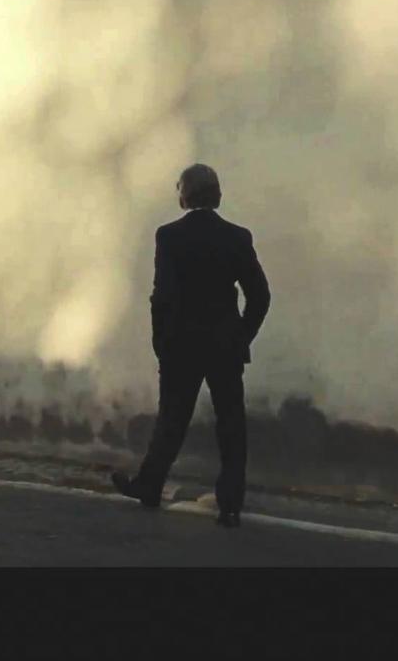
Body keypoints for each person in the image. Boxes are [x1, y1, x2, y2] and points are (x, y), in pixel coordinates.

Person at [112, 163, 270, 528]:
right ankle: (230, 503)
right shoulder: (237, 237)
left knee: (171, 419)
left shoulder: (169, 237)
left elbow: (162, 297)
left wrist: (161, 341)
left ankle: (150, 485)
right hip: (224, 345)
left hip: (181, 345)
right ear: (217, 195)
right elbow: (260, 296)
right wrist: (241, 336)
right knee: (231, 424)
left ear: (184, 196)